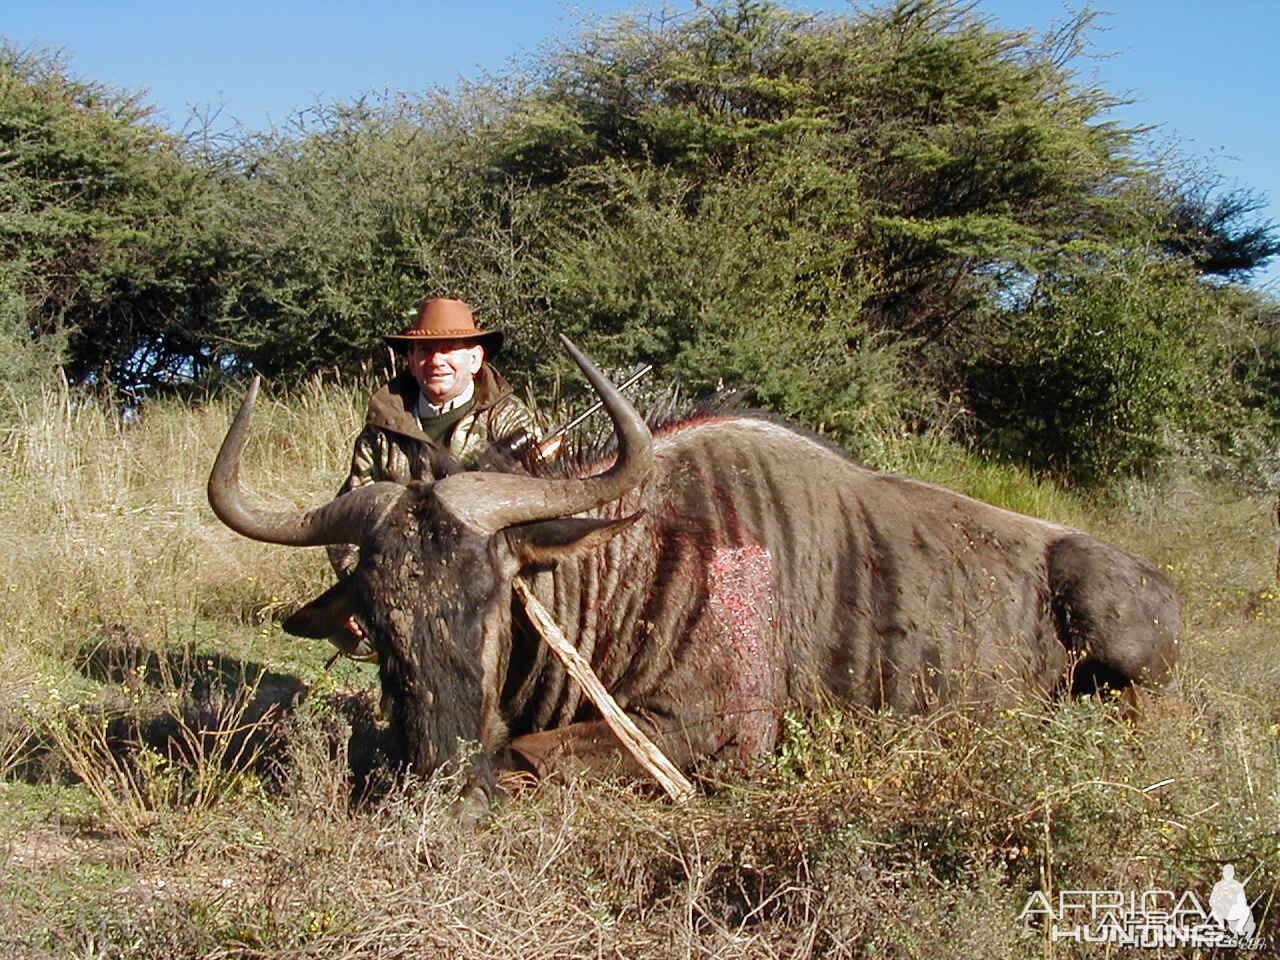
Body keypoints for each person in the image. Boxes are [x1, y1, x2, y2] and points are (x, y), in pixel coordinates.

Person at [327, 297, 540, 654]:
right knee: (351, 635)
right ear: (410, 361)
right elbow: (346, 518)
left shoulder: (509, 420)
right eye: (425, 350)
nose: (436, 361)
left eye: (450, 349)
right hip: (402, 576)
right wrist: (361, 590)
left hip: (482, 577)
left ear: (475, 358)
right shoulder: (381, 431)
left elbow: (533, 514)